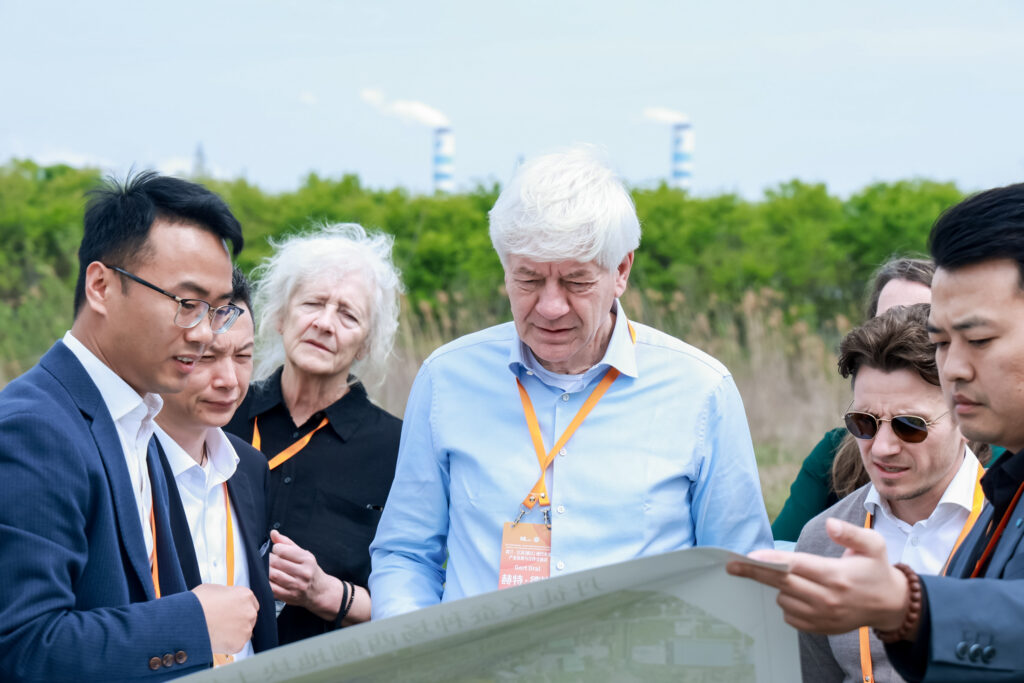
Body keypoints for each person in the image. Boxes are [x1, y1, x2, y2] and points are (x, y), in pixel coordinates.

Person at [369, 146, 773, 620]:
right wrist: (414, 644)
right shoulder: (447, 379)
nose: (550, 307)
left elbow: (739, 572)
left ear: (621, 271)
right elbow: (406, 554)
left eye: (576, 282)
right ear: (505, 269)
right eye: (528, 280)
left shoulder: (701, 391)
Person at [727, 182, 1024, 681]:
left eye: (978, 338)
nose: (953, 368)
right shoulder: (1005, 491)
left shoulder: (988, 502)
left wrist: (907, 606)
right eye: (941, 342)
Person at [0, 172, 258, 681]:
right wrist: (192, 625)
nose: (205, 333)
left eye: (218, 309)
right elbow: (22, 648)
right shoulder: (35, 430)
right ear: (101, 286)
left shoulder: (138, 418)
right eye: (187, 304)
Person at [224, 223, 403, 645]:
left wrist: (325, 593)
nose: (324, 323)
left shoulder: (397, 448)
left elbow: (413, 602)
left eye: (348, 315)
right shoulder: (221, 413)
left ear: (366, 344)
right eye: (313, 303)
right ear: (280, 316)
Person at [796, 304, 983, 682]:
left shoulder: (1011, 528)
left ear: (966, 419)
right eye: (864, 422)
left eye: (909, 425)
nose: (882, 448)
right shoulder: (821, 541)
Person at [154, 268, 277, 662]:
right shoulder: (121, 466)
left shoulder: (250, 467)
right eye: (207, 357)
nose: (230, 380)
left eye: (243, 356)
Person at [771, 258, 934, 542]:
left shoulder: (999, 465)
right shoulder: (834, 455)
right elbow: (779, 551)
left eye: (911, 425)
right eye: (886, 322)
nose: (883, 447)